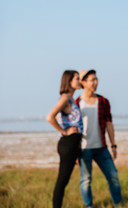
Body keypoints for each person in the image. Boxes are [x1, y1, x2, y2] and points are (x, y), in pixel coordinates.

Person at [74, 69, 123, 208]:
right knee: (86, 180)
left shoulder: (103, 101)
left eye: (96, 79)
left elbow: (109, 124)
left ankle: (118, 204)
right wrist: (74, 152)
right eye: (92, 80)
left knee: (113, 176)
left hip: (102, 148)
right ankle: (89, 206)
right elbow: (74, 129)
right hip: (83, 149)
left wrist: (113, 145)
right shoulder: (77, 103)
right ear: (83, 82)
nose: (95, 82)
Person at [47, 70, 83, 208]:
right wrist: (64, 131)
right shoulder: (65, 98)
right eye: (77, 78)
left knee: (64, 180)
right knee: (62, 181)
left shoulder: (71, 99)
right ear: (69, 81)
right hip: (68, 143)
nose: (79, 81)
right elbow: (50, 117)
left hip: (74, 144)